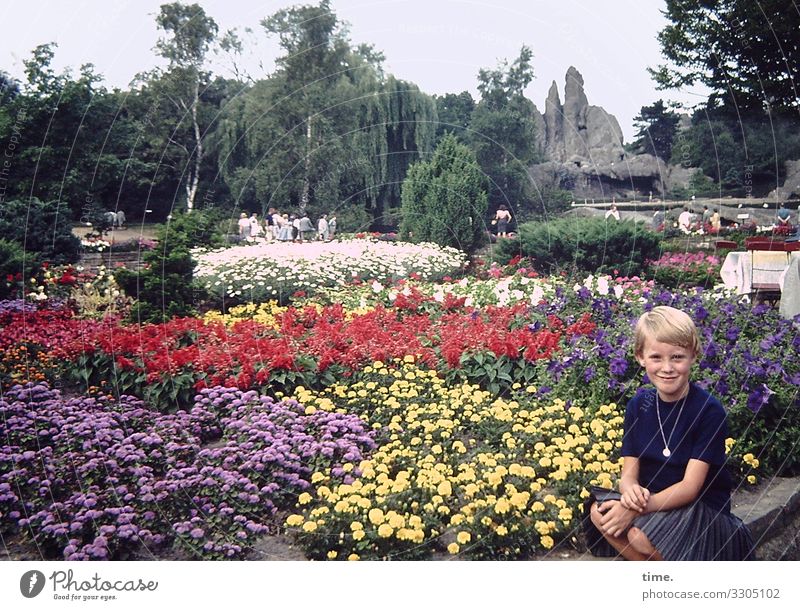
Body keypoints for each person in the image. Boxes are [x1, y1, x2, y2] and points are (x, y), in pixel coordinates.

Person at [586, 306, 754, 561]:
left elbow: (690, 487)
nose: (667, 368)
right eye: (656, 357)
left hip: (700, 511)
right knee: (599, 513)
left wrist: (634, 511)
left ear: (693, 355)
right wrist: (630, 493)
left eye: (677, 357)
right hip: (653, 501)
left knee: (640, 536)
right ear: (640, 357)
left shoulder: (708, 411)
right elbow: (628, 475)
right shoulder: (638, 406)